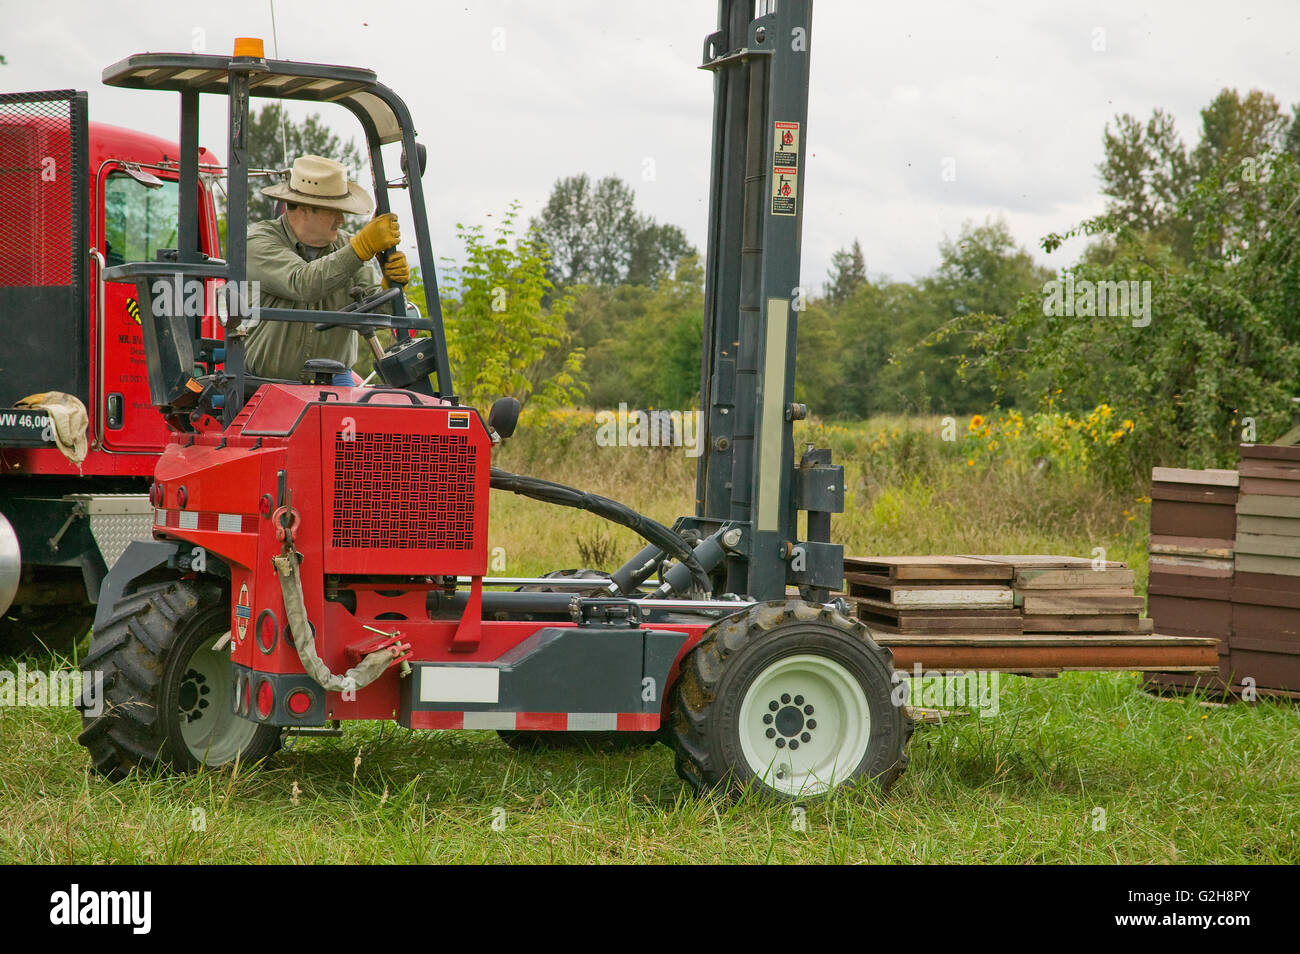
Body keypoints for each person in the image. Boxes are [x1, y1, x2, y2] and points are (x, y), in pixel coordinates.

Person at [244, 154, 410, 385]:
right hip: (265, 385)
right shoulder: (258, 242)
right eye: (334, 210)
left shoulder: (348, 247)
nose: (342, 219)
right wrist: (361, 248)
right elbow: (302, 283)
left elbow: (381, 311)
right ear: (304, 208)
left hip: (335, 382)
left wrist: (390, 286)